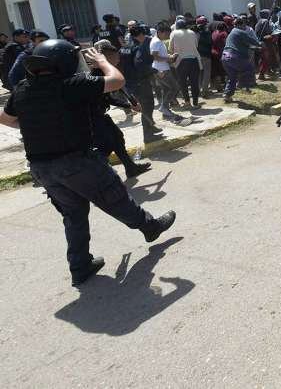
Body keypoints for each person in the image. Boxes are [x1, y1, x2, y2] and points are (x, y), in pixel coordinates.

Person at [0, 40, 175, 287]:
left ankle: (80, 266)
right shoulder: (70, 85)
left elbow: (6, 119)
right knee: (114, 197)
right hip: (75, 161)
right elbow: (117, 81)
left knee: (73, 215)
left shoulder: (22, 89)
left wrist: (34, 124)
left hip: (41, 169)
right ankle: (150, 227)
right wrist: (102, 62)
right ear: (65, 62)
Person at [90, 40, 153, 177]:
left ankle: (130, 167)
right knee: (104, 147)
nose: (118, 58)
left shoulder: (106, 72)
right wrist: (128, 105)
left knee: (117, 139)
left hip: (100, 115)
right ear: (108, 57)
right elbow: (107, 99)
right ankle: (99, 176)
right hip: (92, 118)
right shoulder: (98, 75)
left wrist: (130, 105)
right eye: (116, 56)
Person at [122, 24, 164, 143]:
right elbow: (140, 64)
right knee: (147, 106)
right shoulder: (136, 48)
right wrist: (156, 71)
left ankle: (151, 127)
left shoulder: (124, 48)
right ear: (139, 35)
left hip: (131, 83)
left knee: (146, 106)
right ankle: (148, 135)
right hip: (140, 82)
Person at [222, 16, 261, 101]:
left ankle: (227, 95)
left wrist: (256, 47)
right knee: (249, 68)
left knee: (232, 77)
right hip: (234, 57)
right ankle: (242, 85)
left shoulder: (232, 32)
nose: (245, 27)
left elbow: (246, 45)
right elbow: (253, 41)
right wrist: (259, 44)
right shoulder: (240, 32)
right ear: (241, 24)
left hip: (225, 57)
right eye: (244, 25)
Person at [150, 23, 181, 119]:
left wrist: (170, 56)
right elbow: (154, 56)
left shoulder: (159, 41)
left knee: (167, 90)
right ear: (160, 32)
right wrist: (169, 59)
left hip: (162, 68)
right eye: (167, 34)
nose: (168, 36)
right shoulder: (156, 42)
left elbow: (159, 55)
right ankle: (164, 107)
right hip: (161, 70)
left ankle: (165, 111)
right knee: (174, 88)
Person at [170, 19, 202, 109]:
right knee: (194, 82)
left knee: (182, 82)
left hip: (181, 61)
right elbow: (196, 45)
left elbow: (171, 48)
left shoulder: (174, 33)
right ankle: (195, 103)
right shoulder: (192, 33)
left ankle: (187, 102)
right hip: (194, 60)